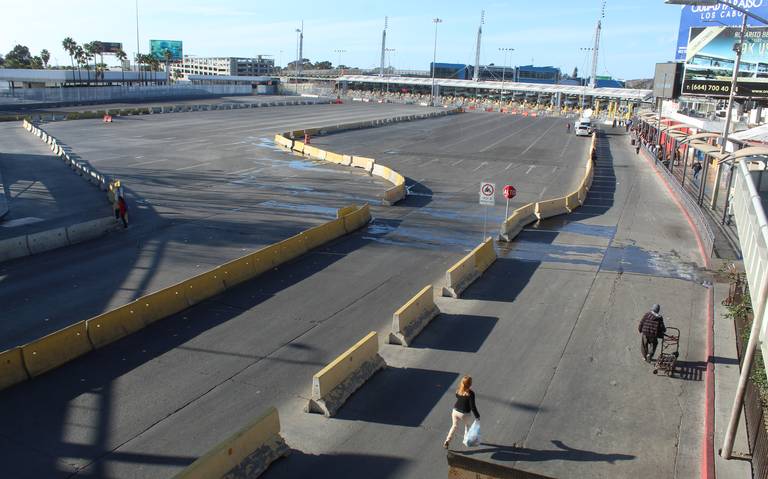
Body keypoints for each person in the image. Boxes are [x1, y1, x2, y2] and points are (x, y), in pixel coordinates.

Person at [444, 375, 480, 449]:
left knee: (454, 426)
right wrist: (477, 416)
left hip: (455, 411)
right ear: (470, 384)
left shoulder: (459, 390)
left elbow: (457, 396)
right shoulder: (471, 393)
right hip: (465, 413)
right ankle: (466, 440)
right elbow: (472, 407)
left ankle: (447, 441)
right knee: (467, 426)